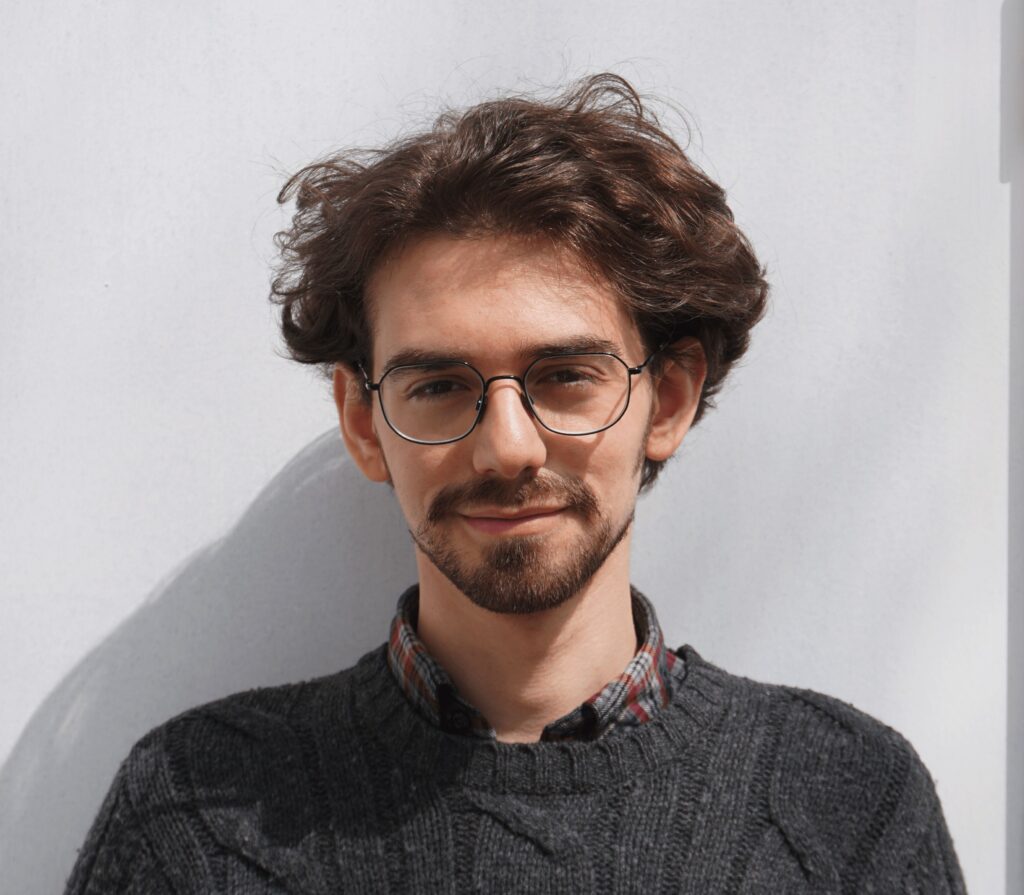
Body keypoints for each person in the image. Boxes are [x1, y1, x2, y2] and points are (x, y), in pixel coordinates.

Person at [66, 74, 966, 894]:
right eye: (440, 385)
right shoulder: (196, 819)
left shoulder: (844, 801)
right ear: (362, 421)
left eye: (566, 377)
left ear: (670, 398)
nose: (507, 448)